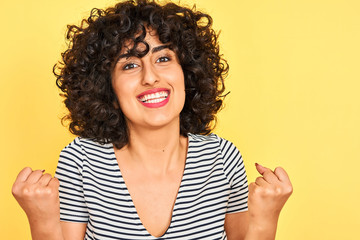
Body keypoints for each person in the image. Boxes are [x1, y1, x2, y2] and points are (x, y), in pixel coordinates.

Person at [12, 0, 293, 239]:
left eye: (163, 59)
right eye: (130, 65)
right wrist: (42, 221)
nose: (150, 77)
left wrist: (267, 218)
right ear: (107, 88)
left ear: (188, 73)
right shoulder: (81, 160)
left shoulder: (222, 158)